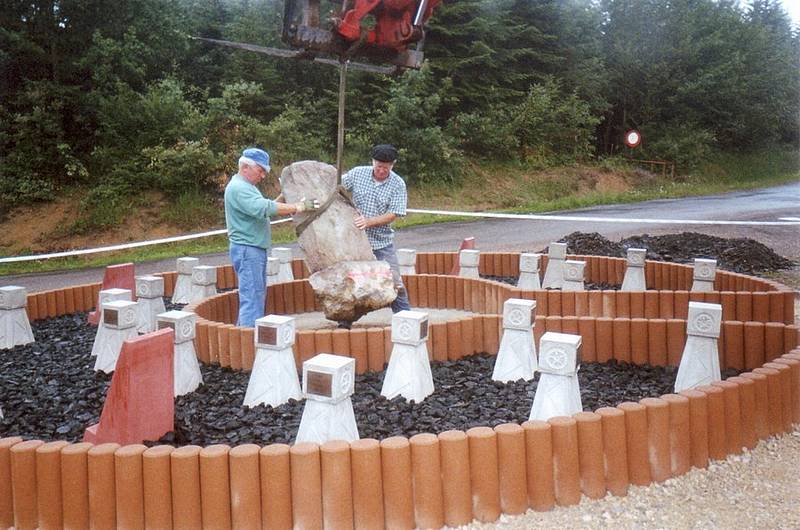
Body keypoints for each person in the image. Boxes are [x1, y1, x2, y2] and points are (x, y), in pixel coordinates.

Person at [224, 147, 318, 327]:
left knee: (254, 295)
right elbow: (264, 208)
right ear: (245, 167)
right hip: (248, 249)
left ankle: (241, 336)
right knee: (252, 297)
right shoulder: (239, 188)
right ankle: (248, 341)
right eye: (260, 171)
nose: (263, 176)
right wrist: (299, 206)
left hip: (251, 249)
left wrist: (285, 196)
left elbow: (264, 209)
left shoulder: (245, 187)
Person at [342, 143, 411, 314]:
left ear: (392, 164)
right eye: (379, 166)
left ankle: (406, 317)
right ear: (372, 162)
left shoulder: (398, 184)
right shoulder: (357, 173)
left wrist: (368, 222)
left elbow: (393, 213)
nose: (381, 170)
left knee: (395, 282)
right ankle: (345, 322)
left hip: (382, 243)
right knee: (351, 282)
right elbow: (337, 188)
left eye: (386, 168)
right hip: (355, 241)